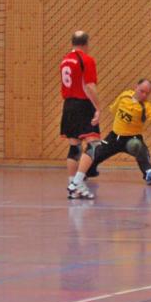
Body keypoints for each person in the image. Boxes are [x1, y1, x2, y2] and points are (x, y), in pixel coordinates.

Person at [68, 79, 151, 199]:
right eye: (142, 91)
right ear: (136, 87)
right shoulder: (125, 96)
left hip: (132, 139)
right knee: (97, 153)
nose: (144, 95)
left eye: (147, 93)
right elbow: (114, 108)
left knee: (142, 152)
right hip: (115, 136)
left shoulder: (146, 107)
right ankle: (87, 172)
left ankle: (149, 174)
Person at [59, 31, 102, 189]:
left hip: (68, 105)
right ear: (86, 43)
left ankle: (73, 184)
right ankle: (76, 183)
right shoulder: (86, 59)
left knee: (74, 147)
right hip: (83, 104)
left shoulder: (65, 60)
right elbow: (89, 86)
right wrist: (98, 108)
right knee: (94, 145)